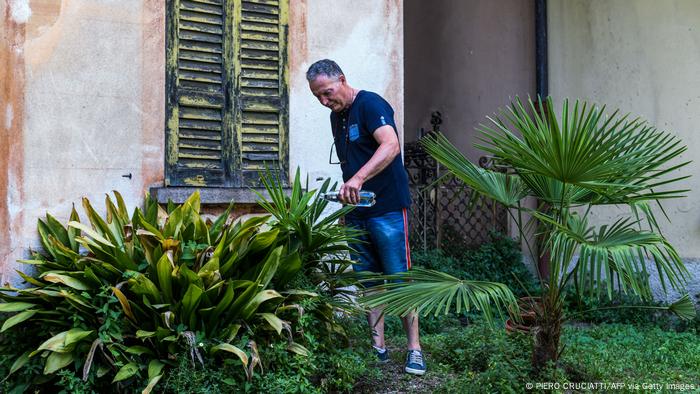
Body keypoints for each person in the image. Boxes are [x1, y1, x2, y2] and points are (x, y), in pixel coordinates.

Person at [306, 59, 426, 376]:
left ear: (342, 79)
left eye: (327, 93)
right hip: (357, 213)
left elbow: (391, 145)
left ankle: (414, 350)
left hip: (387, 207)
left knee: (399, 279)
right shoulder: (337, 116)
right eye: (317, 96)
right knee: (368, 281)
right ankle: (379, 349)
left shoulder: (371, 103)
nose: (324, 101)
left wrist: (357, 179)